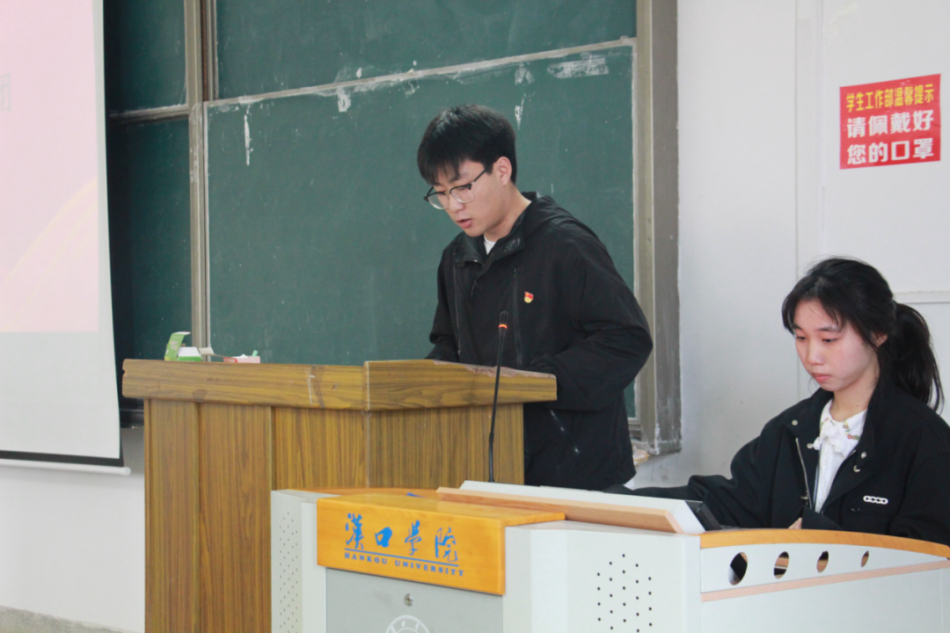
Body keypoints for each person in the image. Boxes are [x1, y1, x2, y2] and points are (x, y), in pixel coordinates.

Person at [614, 257, 950, 546]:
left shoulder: (924, 441)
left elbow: (927, 559)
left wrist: (819, 537)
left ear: (878, 334)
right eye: (801, 337)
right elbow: (729, 501)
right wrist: (616, 503)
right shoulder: (790, 430)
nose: (812, 356)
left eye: (829, 339)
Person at [417, 104, 653, 490]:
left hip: (575, 472)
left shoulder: (566, 244)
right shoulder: (457, 258)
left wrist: (532, 382)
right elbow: (449, 343)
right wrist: (427, 378)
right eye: (440, 193)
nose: (453, 205)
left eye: (462, 187)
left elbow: (627, 339)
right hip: (492, 466)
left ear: (502, 170)